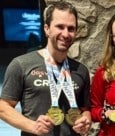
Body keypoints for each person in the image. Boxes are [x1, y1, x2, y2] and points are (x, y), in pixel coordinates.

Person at [0, 1, 91, 136]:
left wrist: (86, 120)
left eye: (71, 28)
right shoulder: (21, 64)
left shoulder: (81, 70)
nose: (66, 34)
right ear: (47, 29)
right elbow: (3, 107)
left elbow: (85, 109)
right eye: (60, 27)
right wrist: (32, 126)